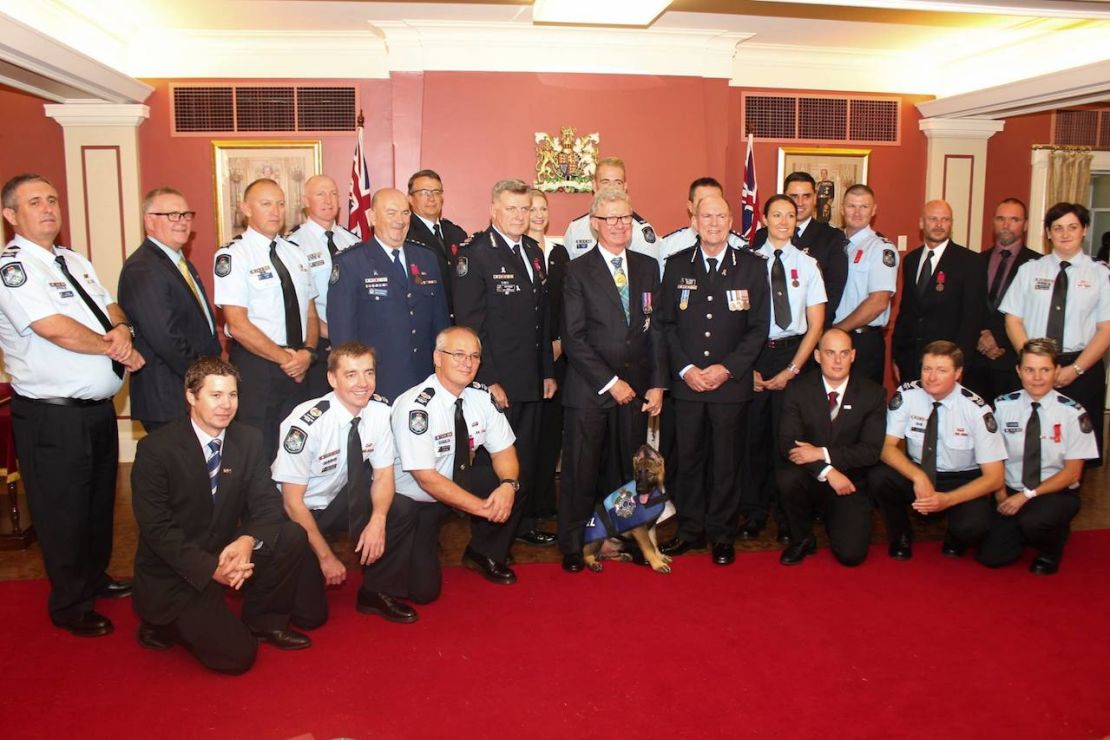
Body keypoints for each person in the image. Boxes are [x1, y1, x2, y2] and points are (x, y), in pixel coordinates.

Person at [0, 173, 144, 636]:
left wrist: (120, 330)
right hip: (51, 415)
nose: (48, 208)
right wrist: (113, 349)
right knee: (63, 510)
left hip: (95, 408)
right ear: (10, 216)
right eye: (35, 202)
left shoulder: (71, 259)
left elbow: (111, 304)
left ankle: (94, 577)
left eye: (52, 200)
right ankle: (70, 604)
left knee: (98, 504)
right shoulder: (14, 269)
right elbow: (52, 326)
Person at [131, 357, 312, 674]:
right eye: (216, 395)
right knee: (237, 657)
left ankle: (264, 621)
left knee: (291, 536)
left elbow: (268, 503)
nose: (226, 404)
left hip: (227, 548)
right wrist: (211, 568)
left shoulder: (249, 439)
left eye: (232, 395)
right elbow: (158, 530)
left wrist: (246, 540)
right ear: (191, 396)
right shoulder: (155, 450)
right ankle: (163, 621)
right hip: (179, 567)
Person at [558, 188, 667, 573]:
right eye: (611, 219)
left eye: (626, 218)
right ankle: (573, 544)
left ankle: (624, 537)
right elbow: (574, 337)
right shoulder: (576, 270)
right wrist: (611, 382)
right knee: (581, 471)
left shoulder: (647, 267)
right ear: (594, 224)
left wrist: (657, 383)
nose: (620, 225)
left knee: (627, 473)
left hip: (636, 392)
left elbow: (655, 331)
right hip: (591, 391)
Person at [274, 342, 420, 625]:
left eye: (368, 373)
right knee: (310, 618)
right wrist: (327, 557)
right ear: (332, 379)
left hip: (337, 500)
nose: (363, 383)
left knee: (401, 508)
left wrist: (378, 521)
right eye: (351, 374)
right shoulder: (305, 426)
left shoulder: (378, 412)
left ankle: (376, 592)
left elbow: (383, 476)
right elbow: (291, 503)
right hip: (295, 515)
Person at [657, 194, 768, 565]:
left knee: (725, 462)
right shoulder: (675, 266)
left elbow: (757, 329)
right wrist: (686, 369)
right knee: (688, 460)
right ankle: (690, 531)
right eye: (707, 216)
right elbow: (666, 324)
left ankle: (722, 534)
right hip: (688, 386)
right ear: (694, 220)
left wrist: (727, 368)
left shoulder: (751, 267)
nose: (714, 223)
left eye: (721, 216)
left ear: (731, 219)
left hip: (730, 386)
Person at [453, 179, 557, 548]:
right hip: (497, 381)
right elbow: (471, 326)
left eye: (525, 209)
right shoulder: (476, 254)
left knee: (524, 457)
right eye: (511, 209)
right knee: (496, 461)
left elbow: (541, 320)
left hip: (531, 377)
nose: (519, 216)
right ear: (494, 210)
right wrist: (489, 379)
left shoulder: (533, 250)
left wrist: (547, 369)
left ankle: (522, 526)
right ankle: (489, 542)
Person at [391, 326, 522, 595]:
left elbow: (504, 451)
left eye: (474, 356)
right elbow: (426, 479)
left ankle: (483, 553)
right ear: (437, 358)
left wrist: (508, 485)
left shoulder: (482, 397)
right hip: (416, 499)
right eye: (459, 354)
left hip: (456, 478)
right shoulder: (417, 408)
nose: (468, 363)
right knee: (423, 593)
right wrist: (482, 508)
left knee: (516, 482)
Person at [214, 178, 320, 463]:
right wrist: (285, 358)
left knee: (296, 449)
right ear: (246, 208)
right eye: (266, 204)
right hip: (259, 366)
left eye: (280, 204)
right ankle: (258, 510)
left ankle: (291, 508)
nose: (276, 211)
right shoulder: (234, 256)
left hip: (300, 365)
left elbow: (310, 313)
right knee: (258, 452)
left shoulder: (294, 252)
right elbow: (237, 324)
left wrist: (307, 353)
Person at [740, 194, 827, 543]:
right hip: (753, 357)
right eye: (776, 214)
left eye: (790, 215)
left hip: (793, 356)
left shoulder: (808, 265)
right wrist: (746, 369)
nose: (783, 221)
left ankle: (790, 517)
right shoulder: (746, 263)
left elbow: (816, 324)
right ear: (763, 218)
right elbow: (735, 323)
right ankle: (755, 512)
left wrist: (792, 369)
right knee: (753, 440)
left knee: (789, 440)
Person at [869, 341, 1006, 560]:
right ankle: (901, 534)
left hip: (960, 478)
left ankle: (955, 535)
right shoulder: (907, 395)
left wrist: (948, 499)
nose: (931, 377)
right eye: (927, 369)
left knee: (972, 528)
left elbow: (995, 478)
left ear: (958, 373)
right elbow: (886, 448)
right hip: (919, 470)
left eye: (941, 370)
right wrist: (918, 476)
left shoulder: (977, 410)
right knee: (879, 476)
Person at [977, 339, 1099, 574]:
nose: (1037, 377)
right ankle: (1027, 531)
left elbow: (1072, 473)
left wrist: (1026, 497)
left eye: (1045, 370)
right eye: (1029, 370)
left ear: (1056, 371)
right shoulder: (1002, 407)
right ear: (1018, 371)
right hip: (1011, 490)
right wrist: (1001, 496)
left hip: (1054, 491)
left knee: (1034, 522)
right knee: (991, 557)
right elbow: (994, 457)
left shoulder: (1073, 413)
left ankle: (1052, 546)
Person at [1001, 202, 1110, 465]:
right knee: (1031, 441)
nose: (1065, 234)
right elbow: (1013, 319)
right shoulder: (1029, 270)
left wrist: (1075, 369)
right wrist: (1033, 364)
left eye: (1072, 227)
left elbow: (1105, 329)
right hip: (1033, 368)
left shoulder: (1100, 274)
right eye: (1057, 228)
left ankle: (1068, 502)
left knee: (1077, 451)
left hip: (1081, 367)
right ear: (1048, 233)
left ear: (1084, 230)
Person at [776, 329, 886, 567]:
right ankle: (803, 539)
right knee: (787, 478)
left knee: (851, 556)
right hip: (811, 474)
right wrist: (828, 471)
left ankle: (835, 519)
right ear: (817, 356)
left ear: (853, 355)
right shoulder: (798, 390)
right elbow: (788, 443)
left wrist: (821, 453)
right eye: (830, 353)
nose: (837, 361)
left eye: (844, 353)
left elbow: (871, 450)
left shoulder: (873, 394)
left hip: (850, 482)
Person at [328, 188, 450, 401]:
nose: (400, 220)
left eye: (405, 213)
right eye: (391, 213)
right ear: (372, 217)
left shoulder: (427, 259)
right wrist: (355, 382)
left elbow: (441, 325)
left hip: (425, 379)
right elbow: (343, 334)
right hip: (377, 382)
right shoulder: (350, 263)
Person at [118, 187, 221, 432]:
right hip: (168, 395)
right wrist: (203, 380)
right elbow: (166, 338)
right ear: (149, 221)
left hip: (187, 390)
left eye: (186, 215)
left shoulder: (178, 262)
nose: (182, 222)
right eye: (173, 215)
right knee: (179, 469)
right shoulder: (144, 267)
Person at [892, 199, 985, 387]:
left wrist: (959, 363)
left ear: (951, 224)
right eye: (933, 219)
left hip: (946, 363)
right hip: (910, 360)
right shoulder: (911, 260)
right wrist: (896, 356)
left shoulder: (970, 262)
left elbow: (972, 319)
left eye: (945, 219)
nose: (939, 225)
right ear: (921, 223)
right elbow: (906, 310)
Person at [285, 175, 360, 397]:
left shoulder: (353, 242)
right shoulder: (293, 245)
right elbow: (296, 303)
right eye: (320, 194)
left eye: (333, 194)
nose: (328, 200)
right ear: (306, 201)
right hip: (317, 344)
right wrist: (333, 335)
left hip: (352, 342)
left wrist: (346, 337)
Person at [964, 198, 1039, 404]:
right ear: (993, 222)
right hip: (976, 361)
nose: (1006, 225)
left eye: (1014, 219)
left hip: (1012, 360)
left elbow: (1035, 312)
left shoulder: (1037, 265)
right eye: (1001, 219)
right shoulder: (975, 261)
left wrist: (997, 337)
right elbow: (968, 305)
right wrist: (981, 335)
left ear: (1025, 225)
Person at [752, 172, 848, 327]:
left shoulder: (832, 237)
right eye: (794, 196)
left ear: (815, 198)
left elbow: (833, 292)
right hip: (767, 331)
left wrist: (803, 326)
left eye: (806, 196)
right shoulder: (762, 236)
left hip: (813, 330)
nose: (800, 202)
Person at [528, 189, 569, 526]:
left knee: (551, 433)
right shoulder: (515, 253)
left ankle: (544, 502)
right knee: (527, 434)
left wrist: (560, 341)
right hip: (524, 358)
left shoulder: (559, 254)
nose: (538, 214)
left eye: (543, 208)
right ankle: (523, 504)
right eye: (532, 208)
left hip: (557, 356)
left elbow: (569, 303)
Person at [830, 184, 898, 385]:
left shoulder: (881, 249)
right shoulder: (832, 242)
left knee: (861, 407)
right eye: (852, 206)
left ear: (874, 210)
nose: (857, 213)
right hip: (831, 338)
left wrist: (838, 330)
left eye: (864, 207)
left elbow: (878, 302)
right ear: (842, 209)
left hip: (861, 341)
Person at [561, 157, 658, 262]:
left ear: (625, 187)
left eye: (618, 182)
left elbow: (647, 273)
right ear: (594, 185)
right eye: (605, 182)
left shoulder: (640, 231)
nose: (611, 188)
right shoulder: (575, 229)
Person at [406, 169, 469, 317]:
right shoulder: (405, 234)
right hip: (424, 316)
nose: (431, 198)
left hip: (457, 318)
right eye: (424, 192)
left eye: (436, 192)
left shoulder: (457, 233)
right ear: (410, 198)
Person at [657, 177, 746, 268]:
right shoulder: (669, 245)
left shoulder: (738, 245)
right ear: (690, 206)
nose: (710, 206)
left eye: (715, 201)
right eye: (702, 201)